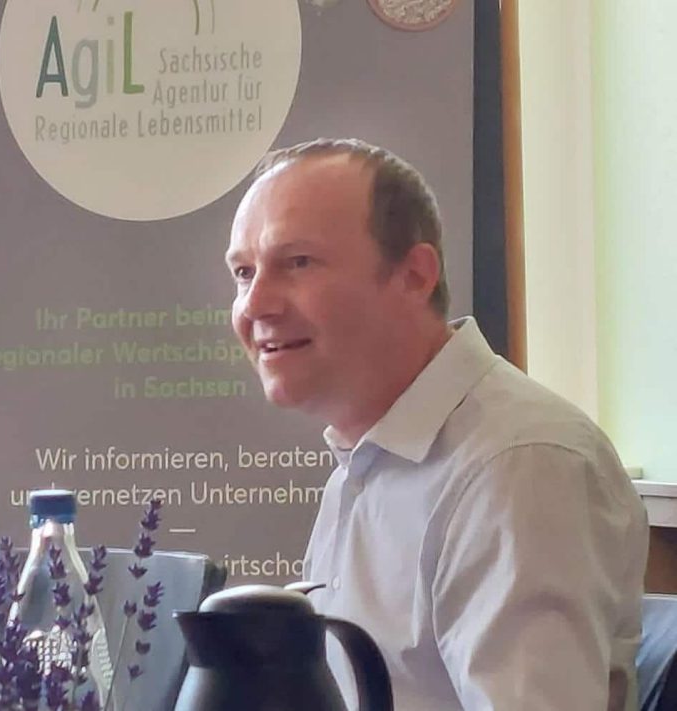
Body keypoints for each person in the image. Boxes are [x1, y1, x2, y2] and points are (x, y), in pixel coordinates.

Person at [225, 138, 648, 710]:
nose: (255, 305)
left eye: (297, 263)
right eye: (244, 273)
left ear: (415, 275)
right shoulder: (366, 459)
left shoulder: (517, 466)